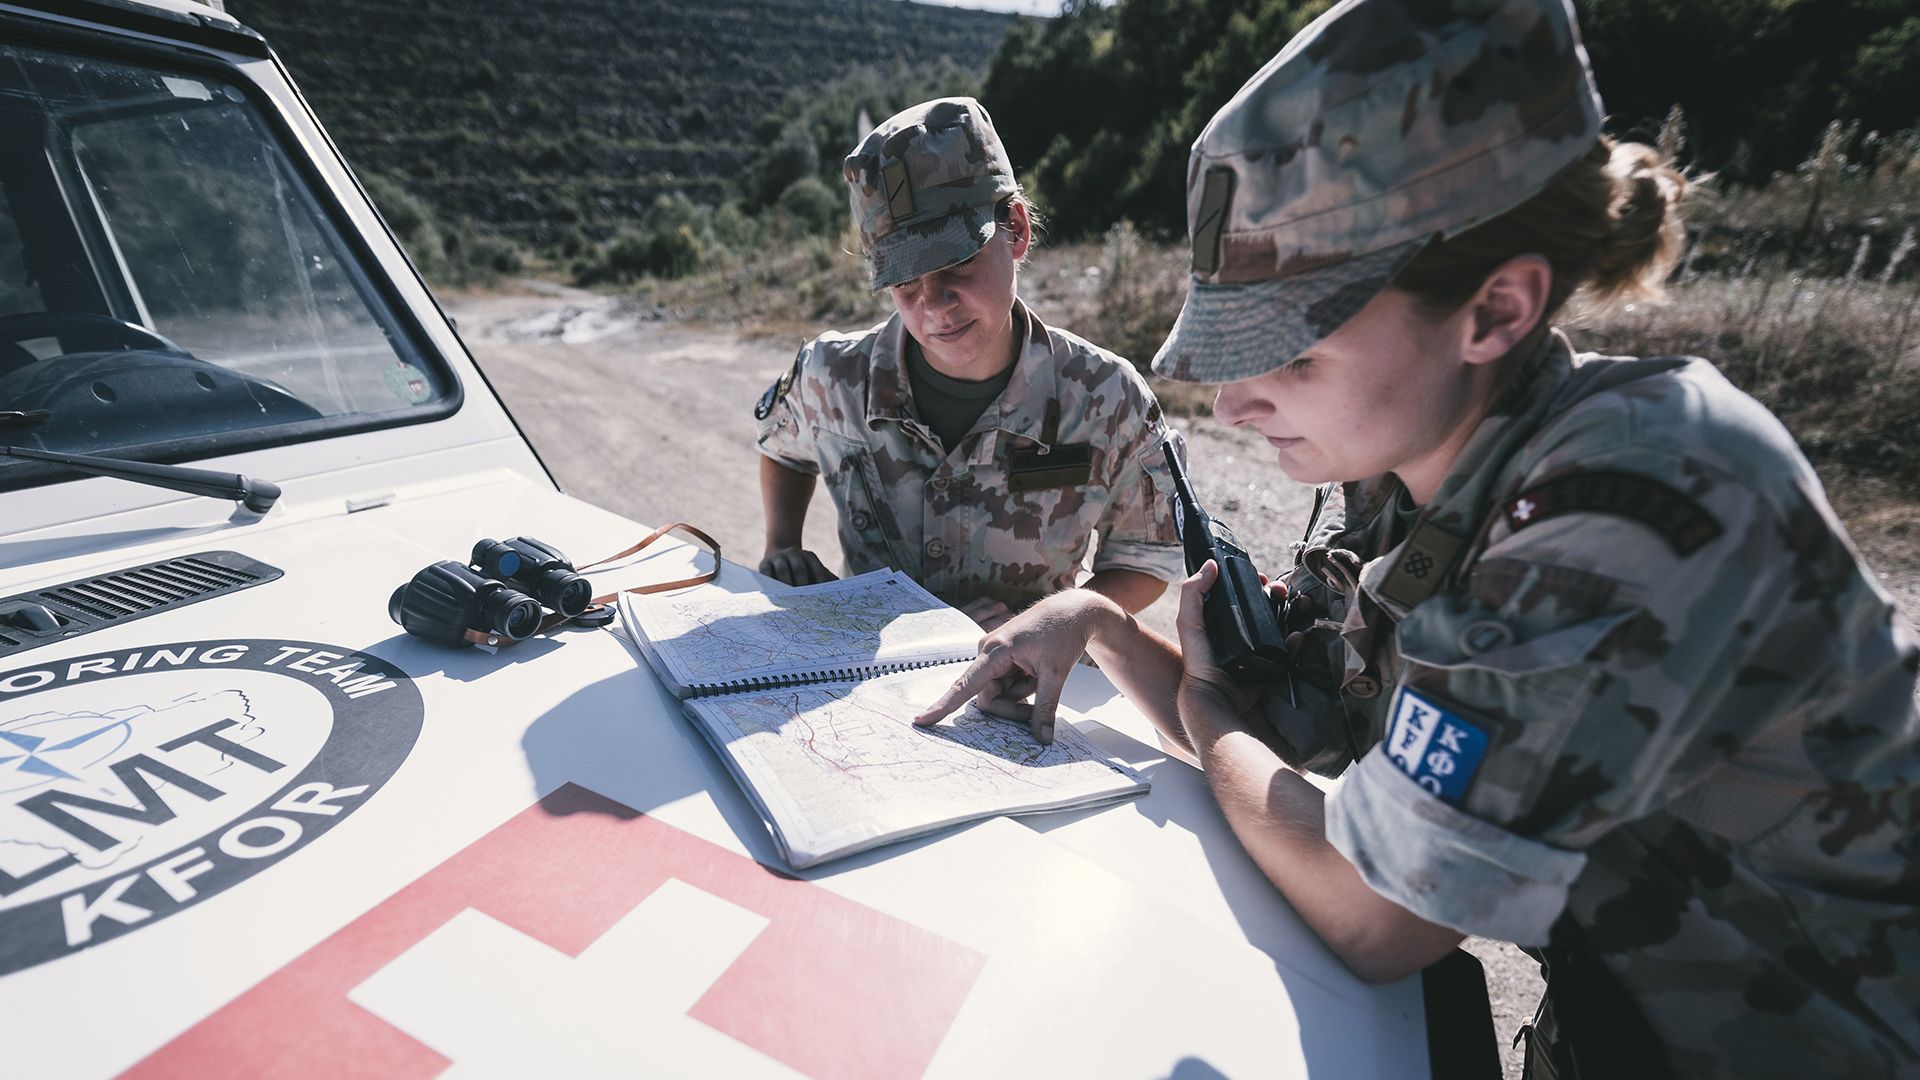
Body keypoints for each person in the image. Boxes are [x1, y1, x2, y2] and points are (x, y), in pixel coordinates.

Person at [913, 1, 1920, 1075]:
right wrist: (1102, 622)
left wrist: (1208, 714)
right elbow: (1283, 738)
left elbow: (1375, 909)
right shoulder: (1420, 478)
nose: (1234, 404)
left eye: (1291, 355)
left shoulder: (1629, 502)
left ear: (1494, 310)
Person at [754, 97, 1183, 630]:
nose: (934, 304)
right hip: (870, 679)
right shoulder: (832, 376)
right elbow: (783, 448)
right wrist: (781, 546)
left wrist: (1039, 629)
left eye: (957, 262)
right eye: (904, 280)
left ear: (1017, 230)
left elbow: (1144, 561)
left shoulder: (1108, 397)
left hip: (1018, 688)